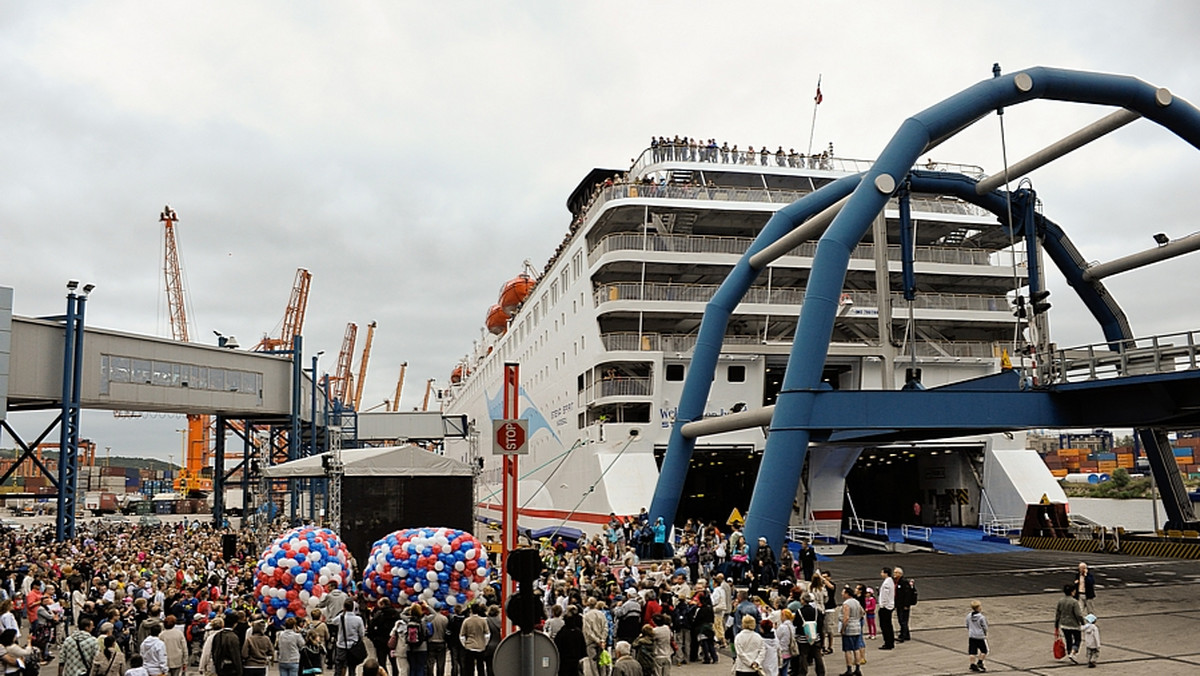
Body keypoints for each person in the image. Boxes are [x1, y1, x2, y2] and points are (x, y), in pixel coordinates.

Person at [333, 600, 366, 676]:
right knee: (352, 667)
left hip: (341, 645)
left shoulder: (341, 618)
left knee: (339, 667)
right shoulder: (358, 619)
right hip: (353, 646)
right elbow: (362, 633)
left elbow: (333, 622)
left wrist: (343, 613)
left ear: (344, 608)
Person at [793, 594, 824, 676]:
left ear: (803, 600)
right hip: (815, 636)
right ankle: (821, 672)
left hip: (803, 637)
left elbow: (796, 623)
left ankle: (803, 672)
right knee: (817, 655)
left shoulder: (799, 611)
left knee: (803, 655)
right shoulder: (816, 611)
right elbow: (820, 624)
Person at [367, 600, 399, 676]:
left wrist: (373, 638)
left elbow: (371, 627)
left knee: (382, 662)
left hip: (380, 642)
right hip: (392, 641)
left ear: (382, 604)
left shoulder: (379, 614)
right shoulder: (395, 613)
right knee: (394, 662)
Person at [1054, 584, 1084, 665]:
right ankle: (1073, 652)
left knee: (1068, 639)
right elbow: (1078, 614)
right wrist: (1082, 622)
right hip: (1074, 624)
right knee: (1078, 639)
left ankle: (1069, 651)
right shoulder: (1074, 602)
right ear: (1072, 592)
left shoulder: (1061, 601)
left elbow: (1058, 613)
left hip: (1064, 624)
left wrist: (1056, 624)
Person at [839, 587, 864, 676]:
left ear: (847, 594)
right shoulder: (856, 602)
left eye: (843, 593)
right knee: (856, 648)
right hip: (857, 627)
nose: (842, 594)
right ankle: (858, 668)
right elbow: (862, 612)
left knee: (848, 649)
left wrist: (843, 629)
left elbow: (846, 617)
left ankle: (849, 669)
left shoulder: (846, 604)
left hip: (849, 628)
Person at [553, 608, 585, 676]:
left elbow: (557, 646)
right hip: (576, 660)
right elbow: (583, 646)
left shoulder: (562, 633)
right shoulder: (578, 632)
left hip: (564, 661)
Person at [458, 606, 488, 676]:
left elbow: (462, 635)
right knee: (480, 666)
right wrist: (484, 643)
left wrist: (465, 644)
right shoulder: (483, 621)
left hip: (470, 646)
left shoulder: (466, 621)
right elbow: (487, 634)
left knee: (469, 668)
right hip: (480, 646)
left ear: (471, 611)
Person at [892, 567, 915, 643]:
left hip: (903, 604)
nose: (894, 574)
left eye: (896, 572)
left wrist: (906, 605)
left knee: (903, 620)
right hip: (898, 604)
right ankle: (906, 634)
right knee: (901, 620)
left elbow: (907, 594)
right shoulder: (896, 581)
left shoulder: (903, 582)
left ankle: (903, 635)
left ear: (900, 574)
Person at [965, 600, 988, 673]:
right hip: (980, 636)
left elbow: (967, 624)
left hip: (972, 636)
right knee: (984, 650)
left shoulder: (969, 616)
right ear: (978, 608)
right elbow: (985, 626)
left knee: (972, 651)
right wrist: (985, 633)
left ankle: (972, 664)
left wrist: (970, 630)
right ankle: (980, 662)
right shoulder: (981, 617)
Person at [875, 569, 894, 651]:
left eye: (882, 572)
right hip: (889, 606)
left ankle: (888, 643)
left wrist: (883, 605)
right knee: (889, 625)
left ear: (886, 573)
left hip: (886, 607)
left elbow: (885, 595)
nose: (881, 574)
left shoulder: (887, 583)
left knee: (885, 625)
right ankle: (890, 642)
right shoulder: (890, 581)